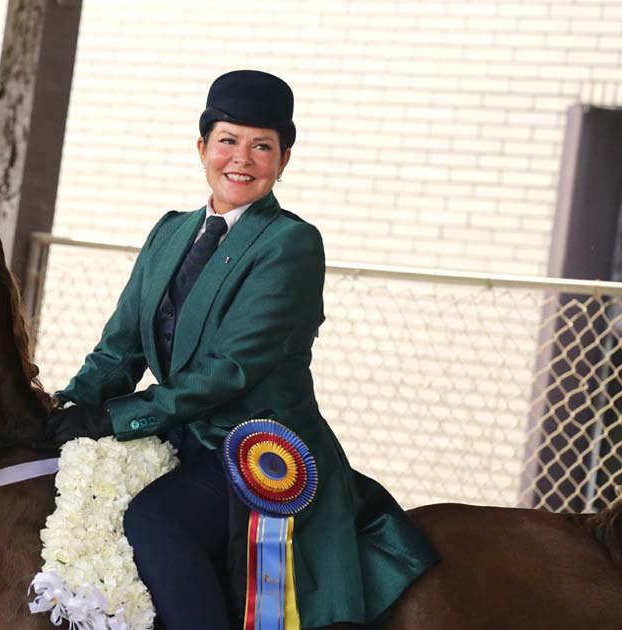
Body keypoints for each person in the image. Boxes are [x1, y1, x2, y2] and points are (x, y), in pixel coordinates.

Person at [43, 70, 438, 630]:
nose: (242, 159)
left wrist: (114, 417)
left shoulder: (291, 244)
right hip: (174, 431)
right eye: (228, 140)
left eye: (262, 147)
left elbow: (230, 370)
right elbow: (119, 349)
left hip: (257, 445)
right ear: (202, 146)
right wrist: (66, 408)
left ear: (283, 161)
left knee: (156, 521)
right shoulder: (170, 232)